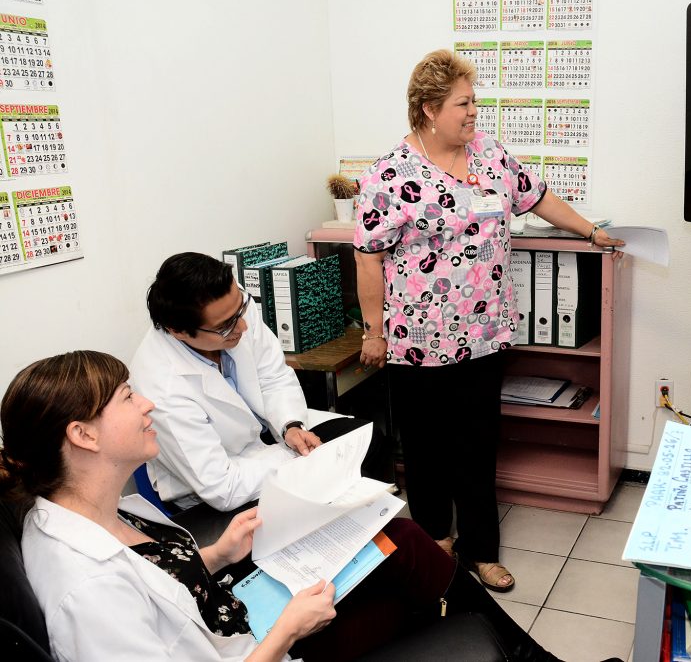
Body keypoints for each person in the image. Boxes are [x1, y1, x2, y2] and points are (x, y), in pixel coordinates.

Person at [0, 350, 586, 661]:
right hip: (261, 644)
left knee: (403, 545)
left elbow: (162, 579)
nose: (149, 404)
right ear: (83, 435)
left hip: (243, 615)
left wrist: (219, 552)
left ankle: (525, 655)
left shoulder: (104, 507)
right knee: (421, 586)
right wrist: (286, 631)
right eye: (129, 398)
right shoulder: (87, 590)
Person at [353, 49, 624, 592]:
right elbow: (367, 256)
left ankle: (481, 550)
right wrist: (374, 331)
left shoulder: (489, 154)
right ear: (429, 110)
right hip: (419, 341)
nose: (474, 111)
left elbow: (538, 197)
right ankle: (435, 543)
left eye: (474, 100)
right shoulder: (390, 173)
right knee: (426, 449)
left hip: (484, 333)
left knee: (477, 445)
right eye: (463, 103)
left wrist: (591, 231)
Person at [130, 252, 383, 512]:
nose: (243, 326)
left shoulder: (228, 303)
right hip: (224, 489)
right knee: (331, 484)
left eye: (241, 309)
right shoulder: (162, 387)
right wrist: (292, 456)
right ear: (178, 331)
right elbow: (222, 488)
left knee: (368, 440)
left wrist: (290, 425)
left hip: (268, 440)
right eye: (226, 325)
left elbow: (273, 375)